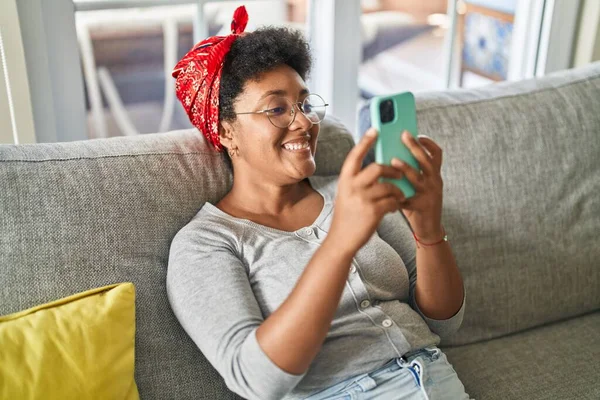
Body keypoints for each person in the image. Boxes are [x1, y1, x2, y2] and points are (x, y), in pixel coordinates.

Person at [167, 6, 469, 400]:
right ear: (227, 131)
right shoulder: (205, 243)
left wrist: (428, 229)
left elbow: (443, 324)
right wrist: (339, 244)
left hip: (435, 380)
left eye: (305, 105)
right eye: (277, 109)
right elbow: (256, 381)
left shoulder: (351, 190)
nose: (305, 122)